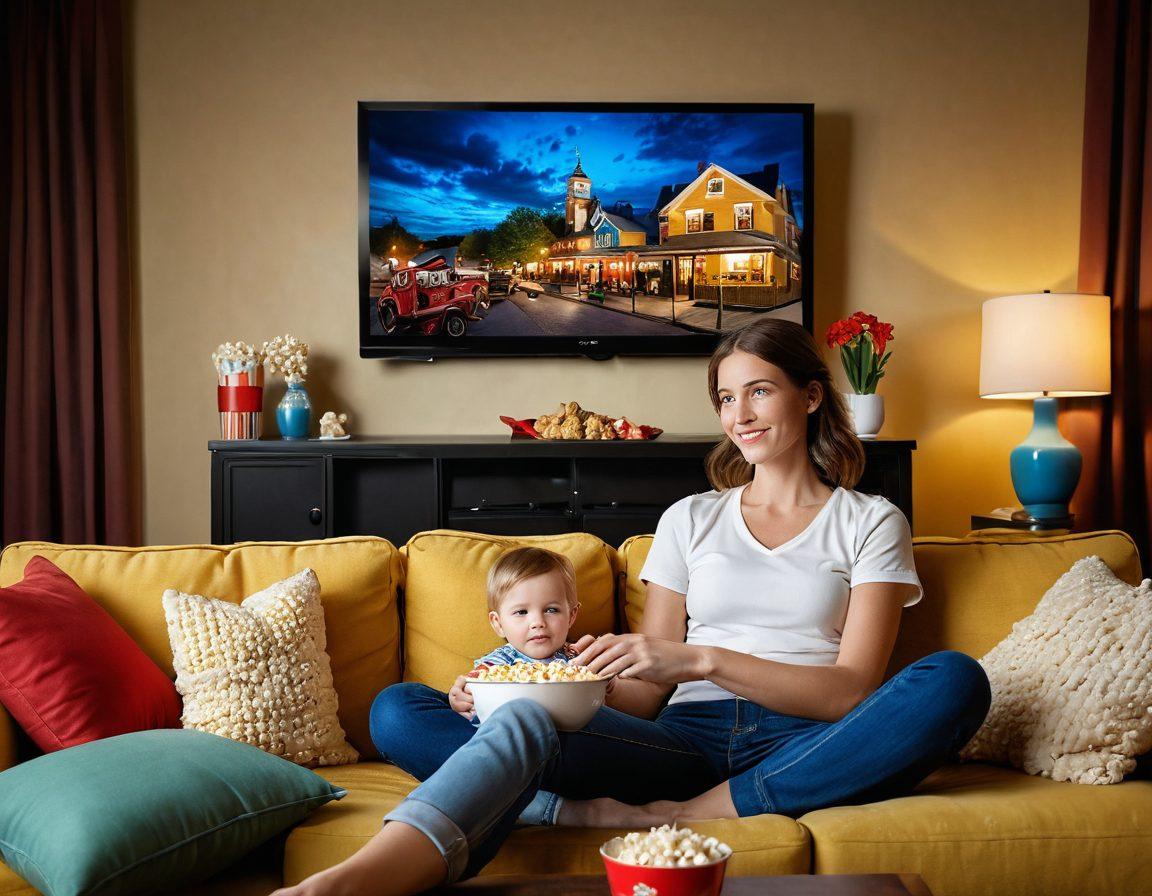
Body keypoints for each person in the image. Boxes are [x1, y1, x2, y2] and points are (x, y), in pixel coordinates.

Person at [271, 318, 991, 896]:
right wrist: (525, 691)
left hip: (808, 738)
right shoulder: (691, 519)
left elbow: (850, 691)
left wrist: (698, 657)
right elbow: (646, 697)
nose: (738, 415)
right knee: (400, 708)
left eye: (759, 392)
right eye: (725, 398)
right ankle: (381, 872)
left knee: (956, 680)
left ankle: (699, 813)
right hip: (683, 744)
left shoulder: (870, 521)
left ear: (809, 396)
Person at [448, 545, 583, 726]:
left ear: (571, 615)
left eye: (551, 610)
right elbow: (472, 688)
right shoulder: (495, 665)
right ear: (498, 623)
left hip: (567, 735)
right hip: (501, 733)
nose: (537, 622)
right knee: (404, 698)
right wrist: (461, 696)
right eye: (521, 612)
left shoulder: (581, 659)